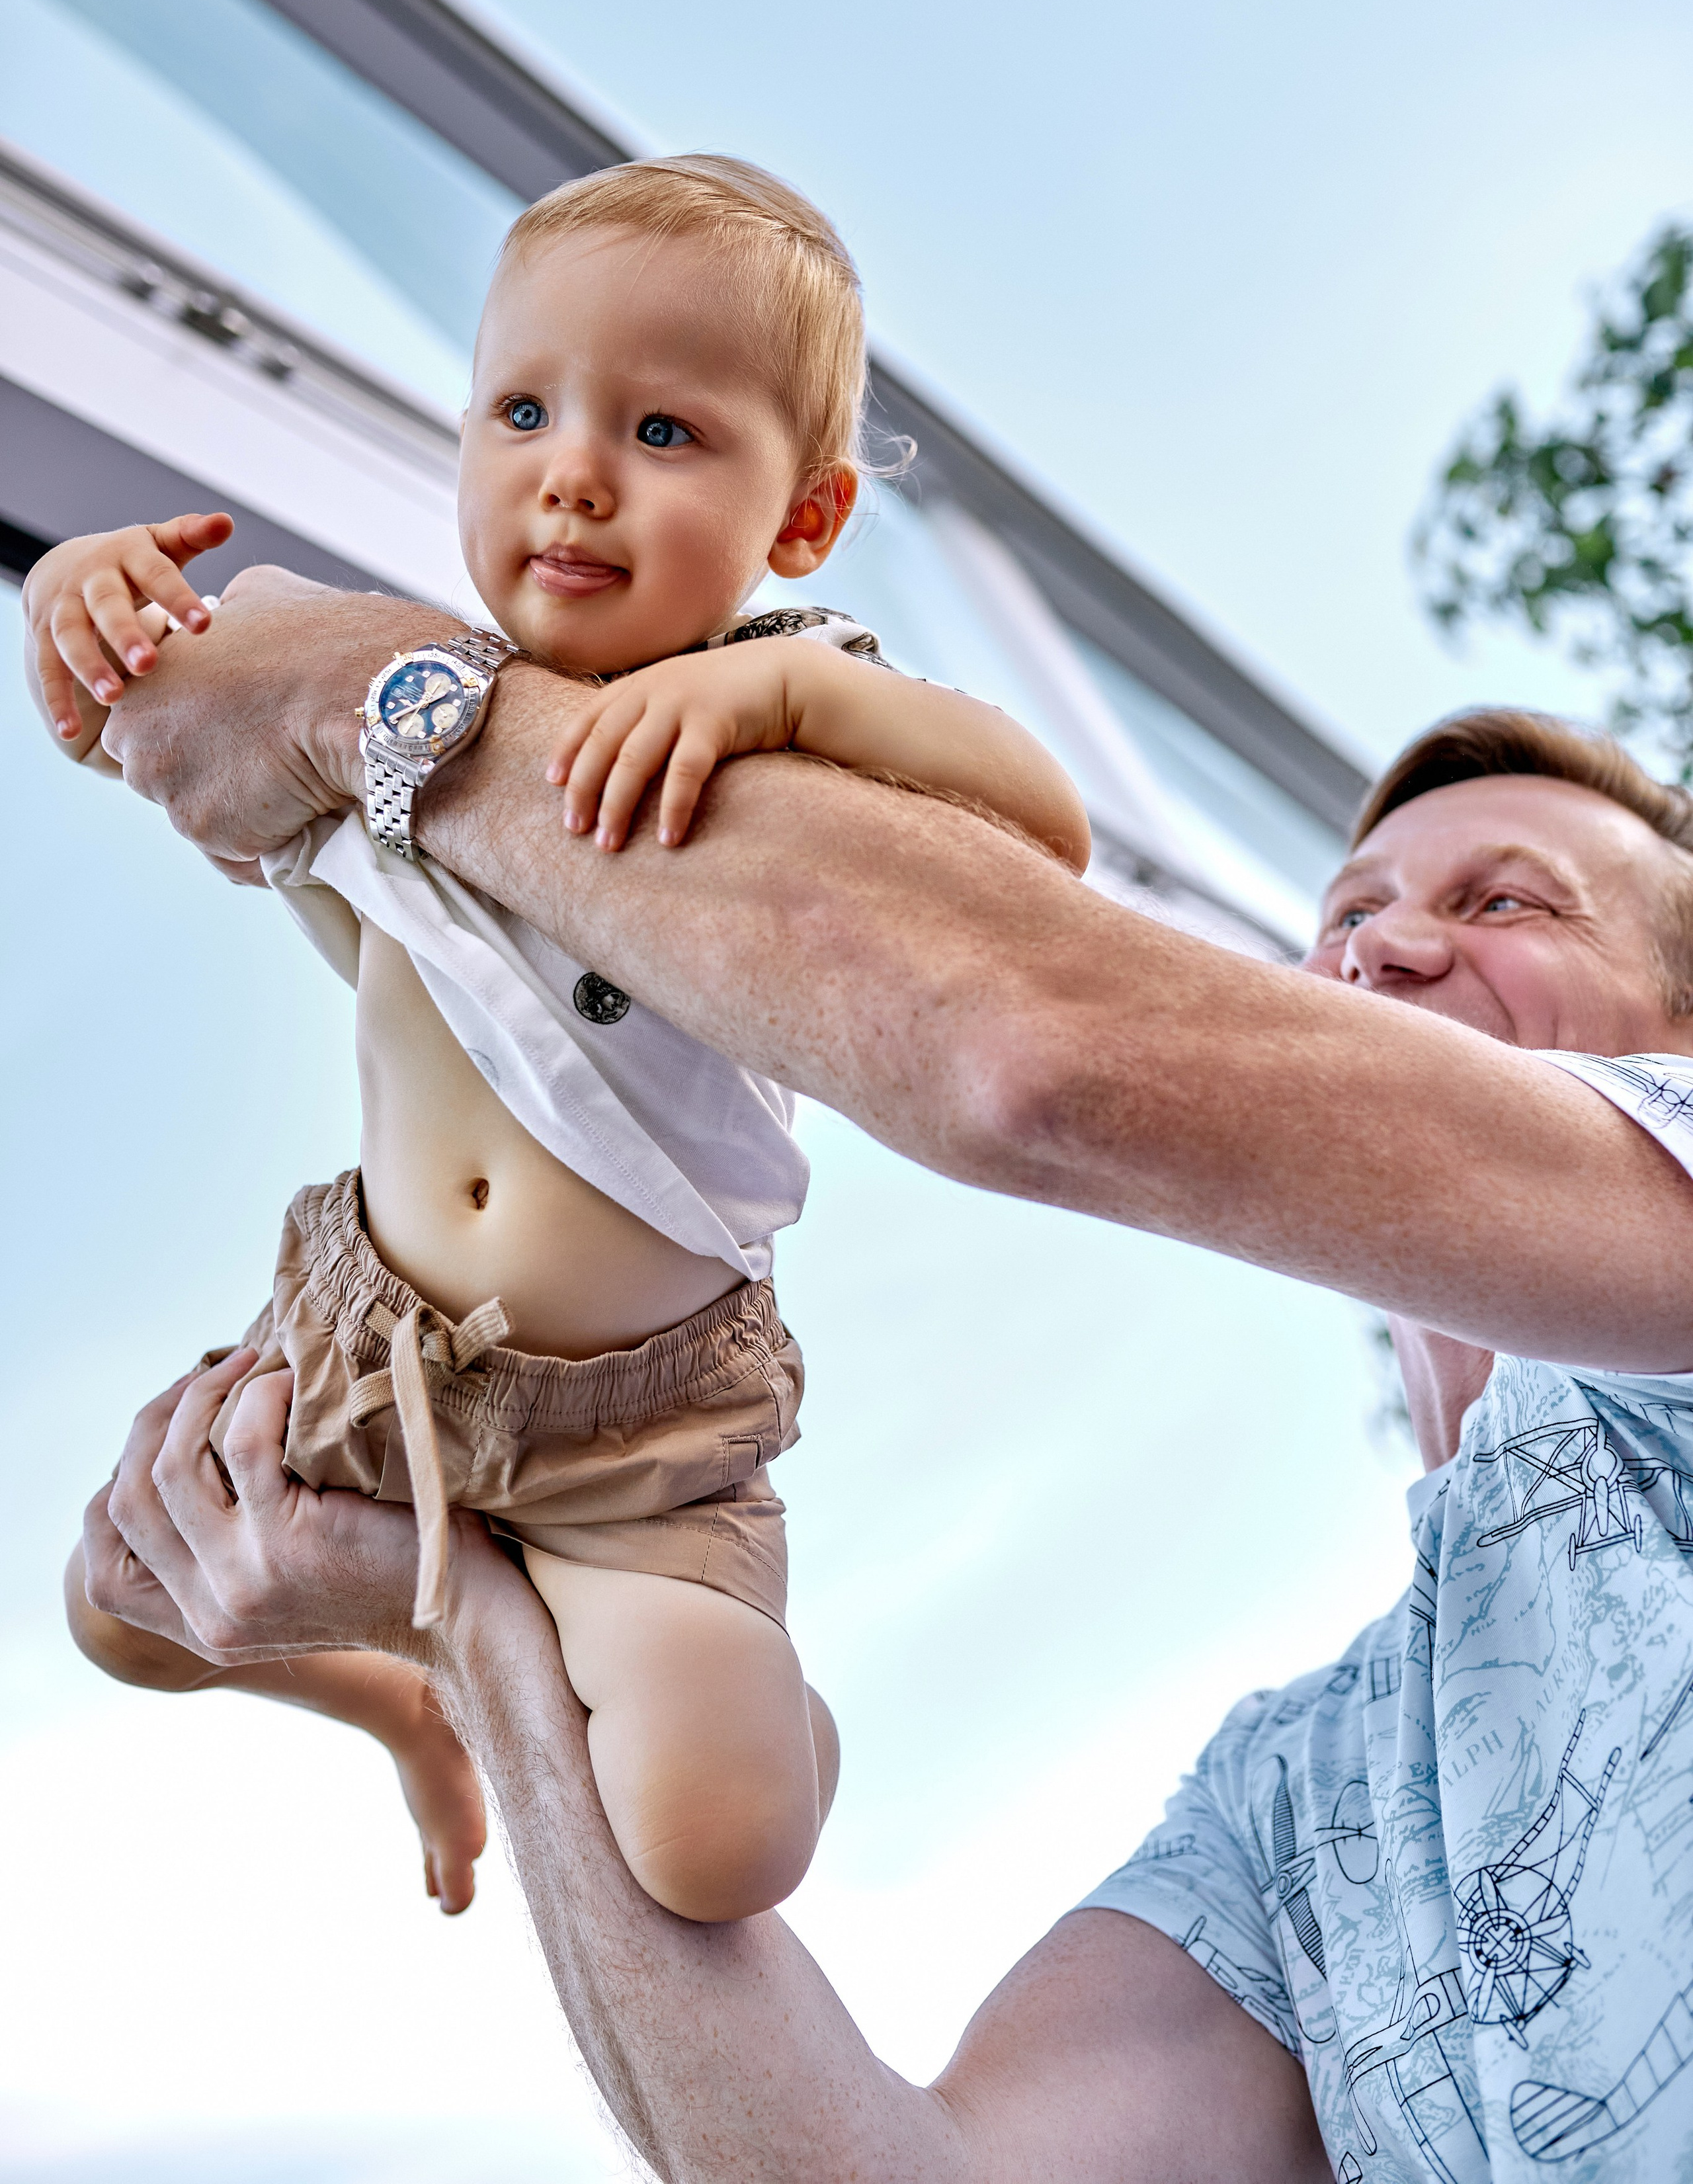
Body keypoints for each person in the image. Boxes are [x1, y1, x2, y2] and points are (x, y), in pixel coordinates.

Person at [65, 559, 1693, 2179]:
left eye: (1502, 904)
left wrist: (368, 706)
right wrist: (471, 1634)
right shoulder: (1303, 1802)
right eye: (1343, 915)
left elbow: (1031, 1052)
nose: (1380, 949)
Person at [22, 153, 1088, 1927]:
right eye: (522, 408)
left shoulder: (790, 704)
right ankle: (402, 1708)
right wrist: (81, 583)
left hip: (634, 1430)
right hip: (371, 1346)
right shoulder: (398, 717)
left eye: (665, 432)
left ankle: (743, 1703)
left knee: (721, 1844)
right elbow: (156, 734)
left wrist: (799, 691)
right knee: (112, 1608)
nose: (574, 470)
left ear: (804, 518)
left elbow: (1045, 827)